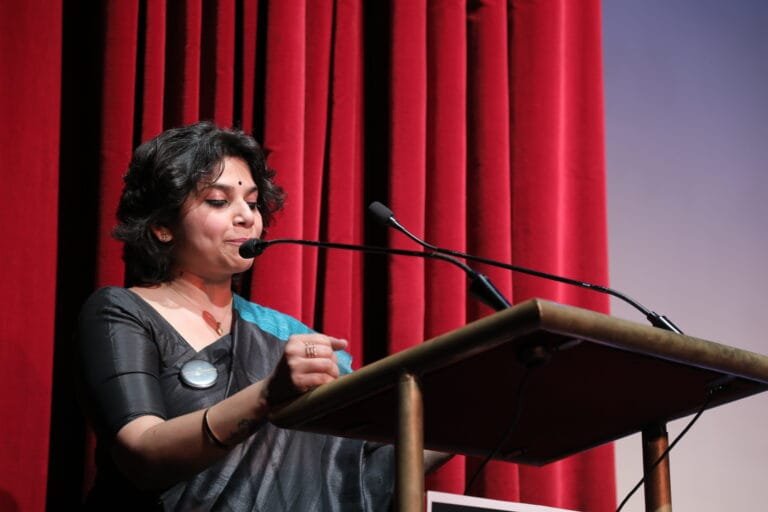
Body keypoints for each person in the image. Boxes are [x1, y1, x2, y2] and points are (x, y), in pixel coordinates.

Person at [76, 121, 418, 511]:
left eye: (252, 204)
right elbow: (141, 454)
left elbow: (363, 469)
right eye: (218, 201)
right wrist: (268, 395)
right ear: (162, 226)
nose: (246, 218)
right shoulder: (122, 312)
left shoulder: (283, 332)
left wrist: (463, 412)